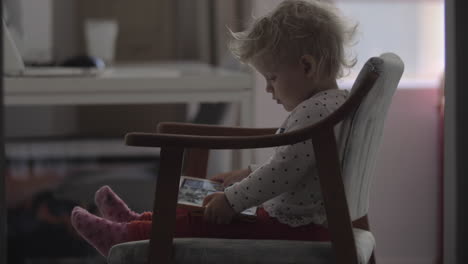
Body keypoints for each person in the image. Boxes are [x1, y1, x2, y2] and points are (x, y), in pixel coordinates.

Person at [71, 0, 357, 257]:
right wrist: (247, 174)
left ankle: (127, 236)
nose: (269, 89)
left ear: (307, 67)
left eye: (272, 77)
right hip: (297, 220)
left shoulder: (315, 113)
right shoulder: (331, 106)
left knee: (203, 219)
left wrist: (232, 200)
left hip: (293, 228)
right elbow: (294, 165)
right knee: (198, 207)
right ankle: (136, 223)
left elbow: (283, 171)